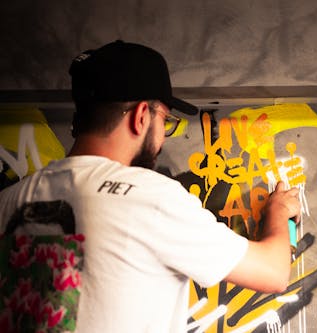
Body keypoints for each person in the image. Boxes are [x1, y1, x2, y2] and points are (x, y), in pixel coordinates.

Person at [0, 40, 301, 332]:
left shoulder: (8, 201)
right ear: (142, 116)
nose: (164, 136)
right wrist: (278, 212)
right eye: (165, 120)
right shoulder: (149, 199)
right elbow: (273, 273)